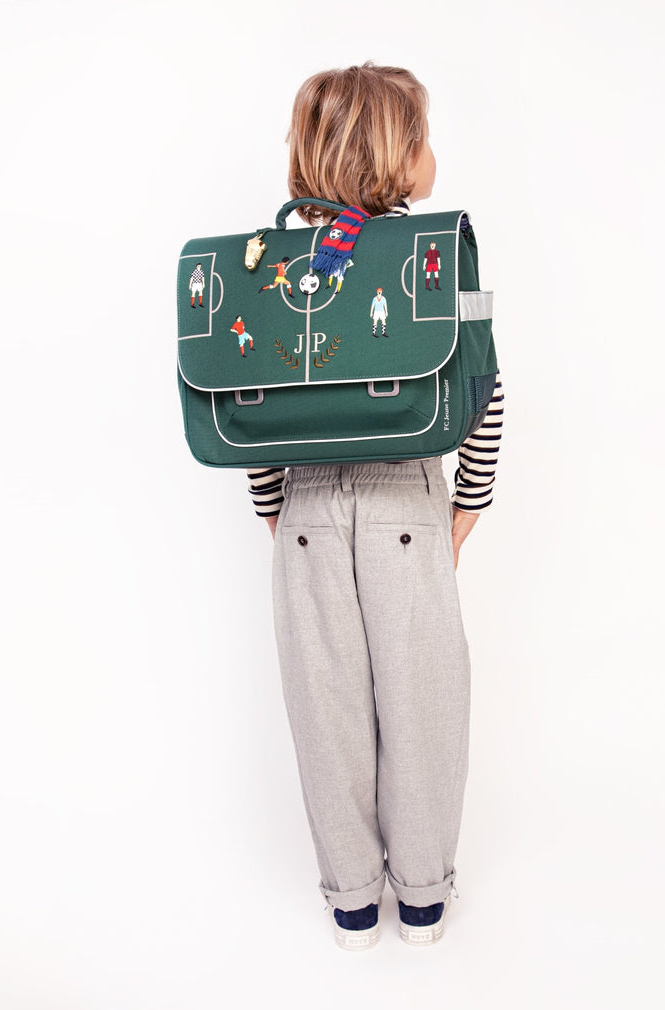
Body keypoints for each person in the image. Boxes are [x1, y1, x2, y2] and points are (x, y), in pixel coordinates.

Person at [245, 63, 504, 951]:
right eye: (423, 138)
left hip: (306, 508)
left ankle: (353, 901)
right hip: (406, 499)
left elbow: (251, 398)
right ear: (397, 155)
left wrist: (273, 505)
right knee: (425, 703)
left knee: (327, 710)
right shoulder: (434, 254)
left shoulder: (275, 265)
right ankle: (423, 897)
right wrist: (467, 505)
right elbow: (484, 385)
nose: (432, 154)